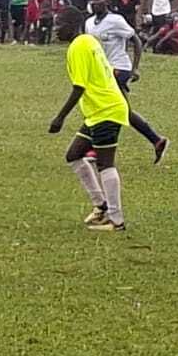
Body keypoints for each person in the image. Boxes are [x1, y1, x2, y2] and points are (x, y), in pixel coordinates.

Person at [49, 12, 131, 231]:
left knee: (105, 163)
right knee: (74, 155)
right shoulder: (89, 41)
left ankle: (116, 220)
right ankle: (101, 205)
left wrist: (60, 118)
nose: (56, 29)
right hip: (98, 112)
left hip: (106, 109)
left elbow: (79, 87)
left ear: (72, 24)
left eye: (59, 24)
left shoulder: (78, 46)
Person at [87, 0, 169, 164]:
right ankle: (157, 140)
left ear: (106, 1)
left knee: (107, 108)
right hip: (102, 71)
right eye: (91, 0)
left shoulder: (115, 20)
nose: (94, 3)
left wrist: (135, 68)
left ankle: (98, 148)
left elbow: (136, 41)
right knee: (123, 110)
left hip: (119, 68)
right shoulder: (89, 23)